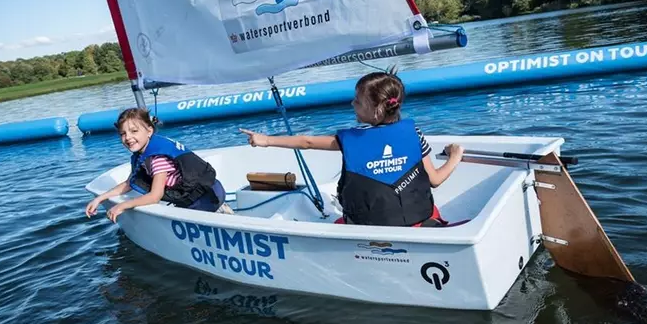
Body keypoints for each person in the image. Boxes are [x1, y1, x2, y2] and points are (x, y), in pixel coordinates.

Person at [239, 71, 464, 227]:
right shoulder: (414, 134)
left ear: (376, 109)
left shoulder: (349, 140)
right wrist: (455, 156)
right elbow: (434, 179)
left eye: (357, 100)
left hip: (367, 226)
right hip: (419, 219)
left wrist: (266, 140)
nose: (352, 104)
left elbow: (306, 142)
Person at [85, 108, 232, 223]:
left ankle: (223, 214)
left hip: (205, 199)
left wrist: (122, 205)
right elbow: (130, 183)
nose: (128, 137)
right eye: (123, 134)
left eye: (134, 131)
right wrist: (99, 198)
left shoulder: (157, 158)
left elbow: (155, 196)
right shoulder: (143, 154)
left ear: (149, 131)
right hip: (200, 195)